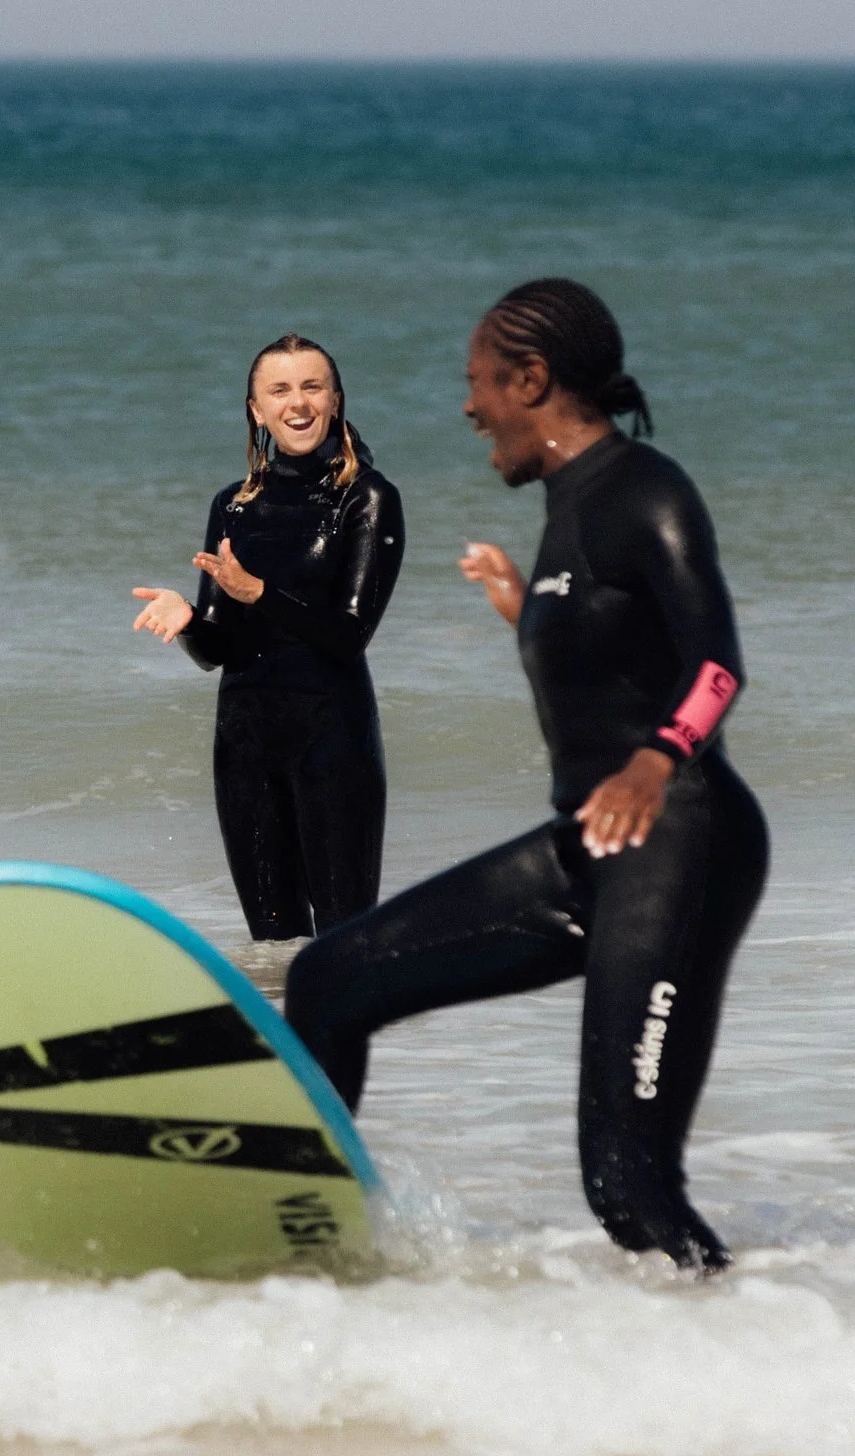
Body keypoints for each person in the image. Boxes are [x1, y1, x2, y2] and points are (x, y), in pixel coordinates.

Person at [284, 279, 769, 1273]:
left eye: (479, 383)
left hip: (677, 839)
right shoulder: (566, 512)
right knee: (329, 977)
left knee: (628, 1185)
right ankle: (305, 1237)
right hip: (593, 848)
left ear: (532, 379)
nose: (469, 407)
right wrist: (522, 607)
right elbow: (607, 665)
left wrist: (656, 757)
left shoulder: (646, 489)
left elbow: (715, 664)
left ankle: (748, 1353)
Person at [131, 334, 406, 945]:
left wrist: (258, 593)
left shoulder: (366, 499)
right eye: (279, 390)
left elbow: (347, 636)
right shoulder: (232, 506)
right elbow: (217, 653)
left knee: (342, 947)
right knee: (274, 952)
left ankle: (340, 1045)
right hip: (245, 749)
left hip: (332, 742)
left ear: (335, 400)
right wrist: (187, 623)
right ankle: (283, 1043)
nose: (297, 403)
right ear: (256, 409)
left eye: (312, 387)